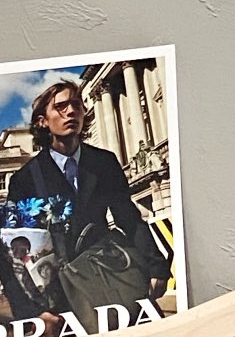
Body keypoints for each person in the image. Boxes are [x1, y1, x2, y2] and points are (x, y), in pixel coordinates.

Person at [6, 77, 169, 298]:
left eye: (76, 105)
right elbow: (15, 247)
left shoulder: (104, 162)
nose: (71, 111)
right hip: (57, 288)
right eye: (61, 106)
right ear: (43, 121)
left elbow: (128, 218)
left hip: (106, 273)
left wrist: (156, 267)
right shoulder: (25, 178)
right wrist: (31, 307)